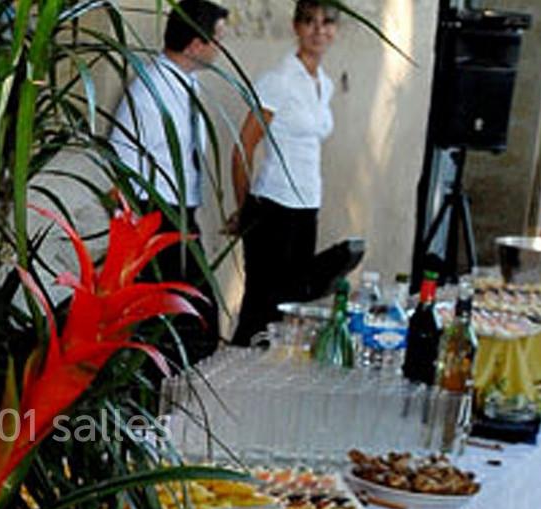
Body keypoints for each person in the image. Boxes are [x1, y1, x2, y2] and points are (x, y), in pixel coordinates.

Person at [229, 0, 357, 346]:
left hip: (306, 204)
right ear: (297, 27)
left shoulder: (324, 84)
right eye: (310, 21)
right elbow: (243, 147)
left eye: (327, 22)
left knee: (291, 305)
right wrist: (245, 208)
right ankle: (235, 373)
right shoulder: (279, 80)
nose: (319, 30)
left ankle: (270, 375)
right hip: (274, 202)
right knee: (261, 307)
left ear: (336, 30)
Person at [109, 0, 229, 365]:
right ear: (195, 44)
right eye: (217, 39)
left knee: (195, 316)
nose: (221, 49)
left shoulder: (186, 83)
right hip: (155, 215)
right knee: (184, 316)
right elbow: (121, 159)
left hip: (181, 214)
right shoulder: (150, 90)